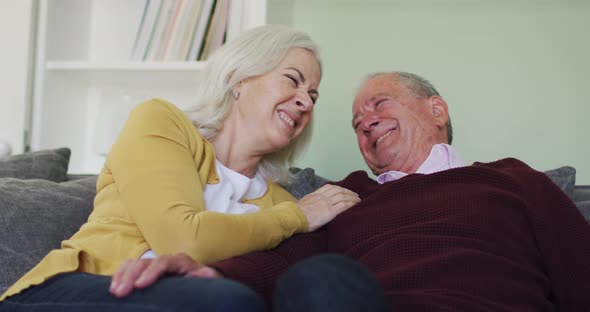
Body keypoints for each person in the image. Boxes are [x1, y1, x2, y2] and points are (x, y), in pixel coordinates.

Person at [109, 71, 590, 311]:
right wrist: (205, 269)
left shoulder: (511, 179)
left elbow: (579, 270)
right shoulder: (347, 195)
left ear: (436, 111)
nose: (367, 124)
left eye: (380, 105)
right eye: (358, 124)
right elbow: (281, 261)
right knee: (320, 276)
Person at [0, 25, 361, 311]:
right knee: (227, 301)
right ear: (240, 78)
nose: (304, 101)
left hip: (183, 299)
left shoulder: (281, 199)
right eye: (293, 79)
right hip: (69, 290)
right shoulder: (160, 122)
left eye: (313, 95)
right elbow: (183, 238)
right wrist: (297, 217)